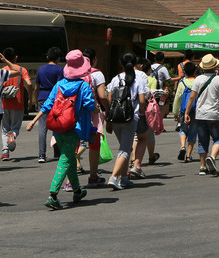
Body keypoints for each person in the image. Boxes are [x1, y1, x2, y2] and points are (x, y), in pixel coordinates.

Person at [26, 49, 95, 210]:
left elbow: (48, 104)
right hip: (75, 129)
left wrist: (33, 121)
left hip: (58, 128)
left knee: (69, 159)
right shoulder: (83, 86)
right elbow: (90, 106)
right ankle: (53, 194)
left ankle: (77, 190)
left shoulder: (59, 84)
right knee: (65, 159)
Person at [104, 52, 148, 191]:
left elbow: (109, 99)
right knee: (124, 149)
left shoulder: (115, 79)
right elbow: (141, 100)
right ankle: (114, 177)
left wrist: (109, 119)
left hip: (116, 117)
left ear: (121, 63)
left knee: (127, 147)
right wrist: (141, 111)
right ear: (135, 63)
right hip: (130, 117)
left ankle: (124, 178)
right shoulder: (138, 79)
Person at [185, 54, 219, 177]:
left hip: (200, 114)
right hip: (214, 114)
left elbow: (192, 97)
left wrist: (187, 112)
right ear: (215, 66)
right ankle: (212, 157)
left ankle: (202, 166)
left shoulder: (198, 79)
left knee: (202, 141)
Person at [79, 48, 109, 188]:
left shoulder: (72, 72)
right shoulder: (97, 74)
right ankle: (93, 176)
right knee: (94, 144)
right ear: (94, 59)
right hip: (93, 112)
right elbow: (102, 96)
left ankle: (69, 180)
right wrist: (108, 110)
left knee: (74, 144)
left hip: (76, 112)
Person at [0, 48, 32, 162]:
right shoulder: (21, 70)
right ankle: (12, 135)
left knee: (4, 128)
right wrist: (30, 99)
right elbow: (29, 83)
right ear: (16, 57)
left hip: (4, 103)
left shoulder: (2, 70)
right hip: (18, 103)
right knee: (15, 127)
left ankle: (5, 152)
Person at [35, 47, 64, 164]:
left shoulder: (41, 69)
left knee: (42, 128)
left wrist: (35, 100)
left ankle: (42, 154)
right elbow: (60, 86)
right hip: (55, 98)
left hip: (42, 96)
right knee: (56, 126)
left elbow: (36, 87)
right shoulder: (59, 70)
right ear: (58, 58)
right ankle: (57, 152)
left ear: (47, 57)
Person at [173, 61, 198, 162]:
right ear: (195, 71)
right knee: (193, 132)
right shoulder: (198, 82)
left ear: (185, 72)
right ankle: (188, 155)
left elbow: (177, 98)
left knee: (183, 129)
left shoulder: (182, 83)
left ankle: (182, 146)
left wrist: (175, 112)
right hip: (196, 110)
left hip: (184, 111)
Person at [149, 52, 172, 116]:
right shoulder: (163, 68)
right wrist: (179, 78)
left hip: (150, 90)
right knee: (160, 105)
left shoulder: (150, 66)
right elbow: (169, 79)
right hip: (159, 91)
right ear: (163, 59)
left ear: (154, 58)